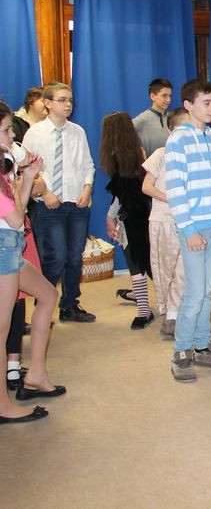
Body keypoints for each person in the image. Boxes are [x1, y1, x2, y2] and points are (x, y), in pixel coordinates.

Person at [165, 79, 211, 382]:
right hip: (194, 227)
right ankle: (181, 351)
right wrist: (189, 228)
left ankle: (202, 344)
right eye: (206, 103)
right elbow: (175, 190)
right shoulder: (178, 140)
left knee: (206, 291)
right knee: (195, 292)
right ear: (189, 105)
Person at [1, 102, 62, 423]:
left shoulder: (4, 169)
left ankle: (36, 374)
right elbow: (14, 218)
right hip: (3, 248)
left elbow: (20, 210)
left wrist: (26, 178)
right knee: (1, 329)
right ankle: (3, 405)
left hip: (10, 244)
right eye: (6, 131)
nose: (12, 136)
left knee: (48, 295)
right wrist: (21, 181)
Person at [22, 82, 96, 322]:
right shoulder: (35, 133)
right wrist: (45, 194)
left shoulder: (78, 131)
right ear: (48, 103)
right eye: (62, 100)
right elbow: (26, 170)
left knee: (74, 256)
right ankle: (44, 304)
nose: (68, 105)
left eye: (70, 100)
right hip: (48, 205)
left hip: (77, 204)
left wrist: (87, 189)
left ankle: (69, 305)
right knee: (54, 256)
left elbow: (87, 164)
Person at [100, 112, 154, 330]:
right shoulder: (139, 152)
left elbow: (121, 195)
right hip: (147, 212)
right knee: (148, 261)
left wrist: (110, 216)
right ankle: (146, 299)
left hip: (132, 217)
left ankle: (144, 310)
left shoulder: (116, 157)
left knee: (134, 263)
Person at [142, 107, 188, 339]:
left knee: (184, 270)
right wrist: (171, 199)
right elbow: (146, 186)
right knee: (165, 268)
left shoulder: (192, 155)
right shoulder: (161, 154)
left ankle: (174, 314)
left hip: (186, 222)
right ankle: (167, 310)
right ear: (171, 130)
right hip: (163, 220)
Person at [133, 78, 173, 157]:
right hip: (150, 163)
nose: (168, 100)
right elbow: (122, 133)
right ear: (152, 96)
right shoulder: (143, 118)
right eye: (164, 96)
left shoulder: (171, 117)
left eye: (170, 96)